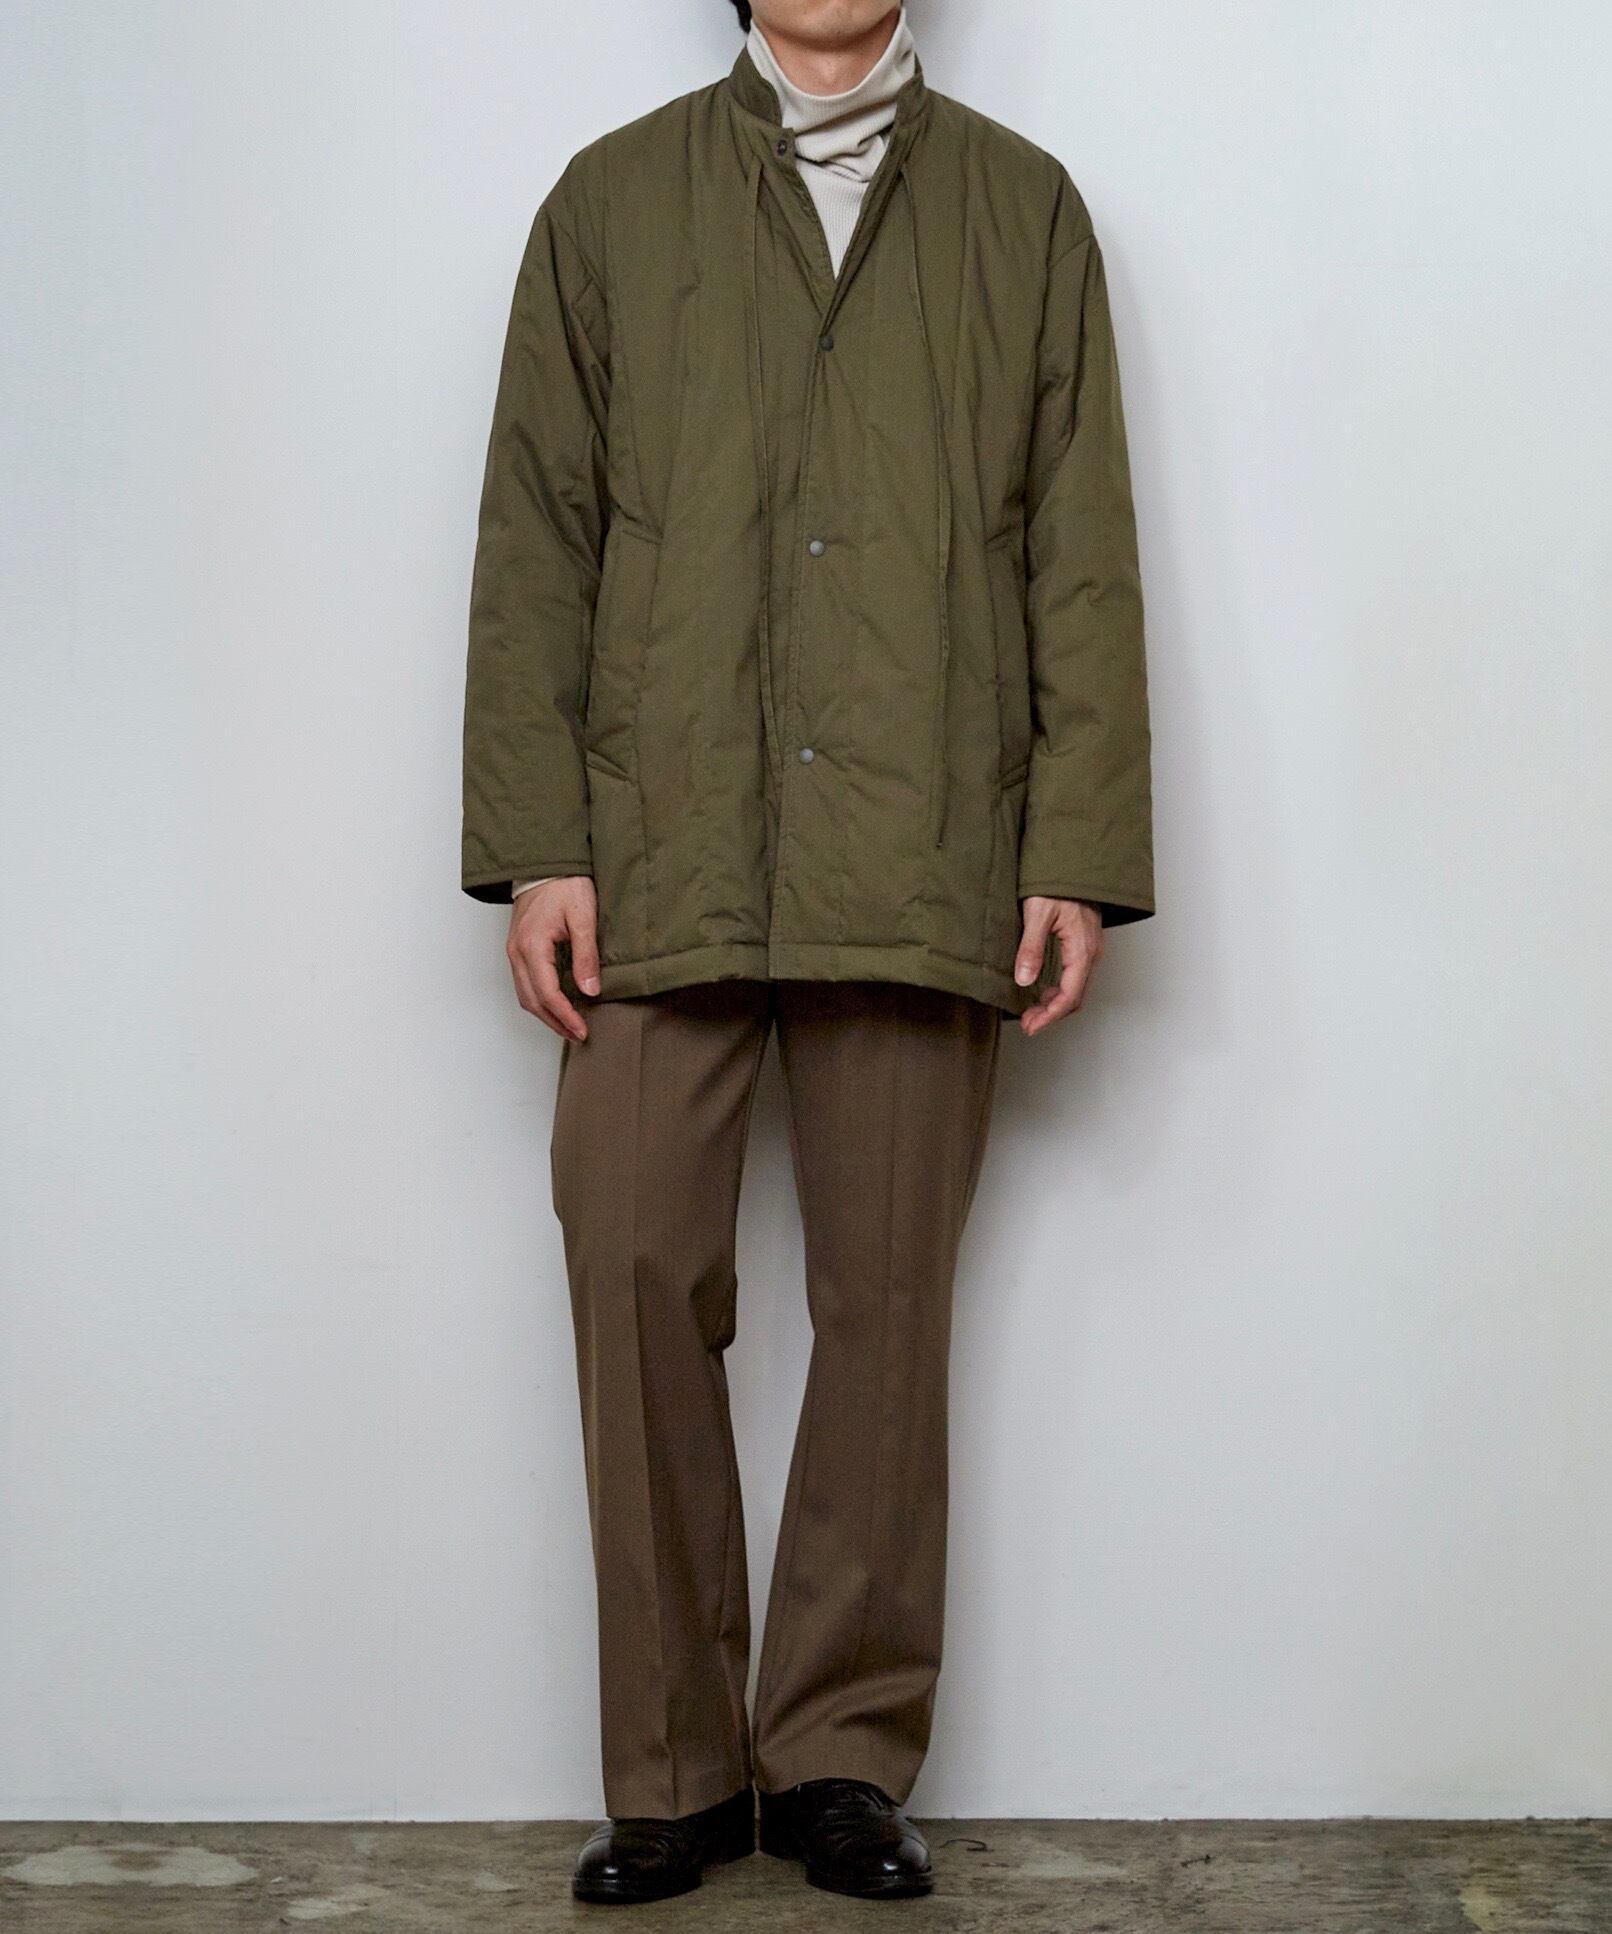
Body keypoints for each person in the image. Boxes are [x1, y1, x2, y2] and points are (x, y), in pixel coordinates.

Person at [462, 0, 1153, 1905]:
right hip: (660, 828)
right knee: (631, 1254)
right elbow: (536, 538)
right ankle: (675, 1769)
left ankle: (840, 1753)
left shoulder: (1024, 212)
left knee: (889, 1298)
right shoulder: (609, 204)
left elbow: (1079, 549)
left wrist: (1075, 850)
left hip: (927, 823)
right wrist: (539, 843)